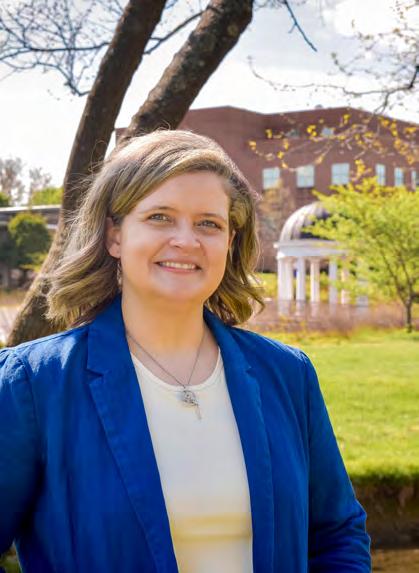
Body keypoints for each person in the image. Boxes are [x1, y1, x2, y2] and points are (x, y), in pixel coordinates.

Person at [0, 130, 371, 573]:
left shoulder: (287, 374)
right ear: (114, 235)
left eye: (208, 224)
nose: (186, 240)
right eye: (160, 217)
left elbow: (337, 532)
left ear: (229, 242)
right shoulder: (34, 385)